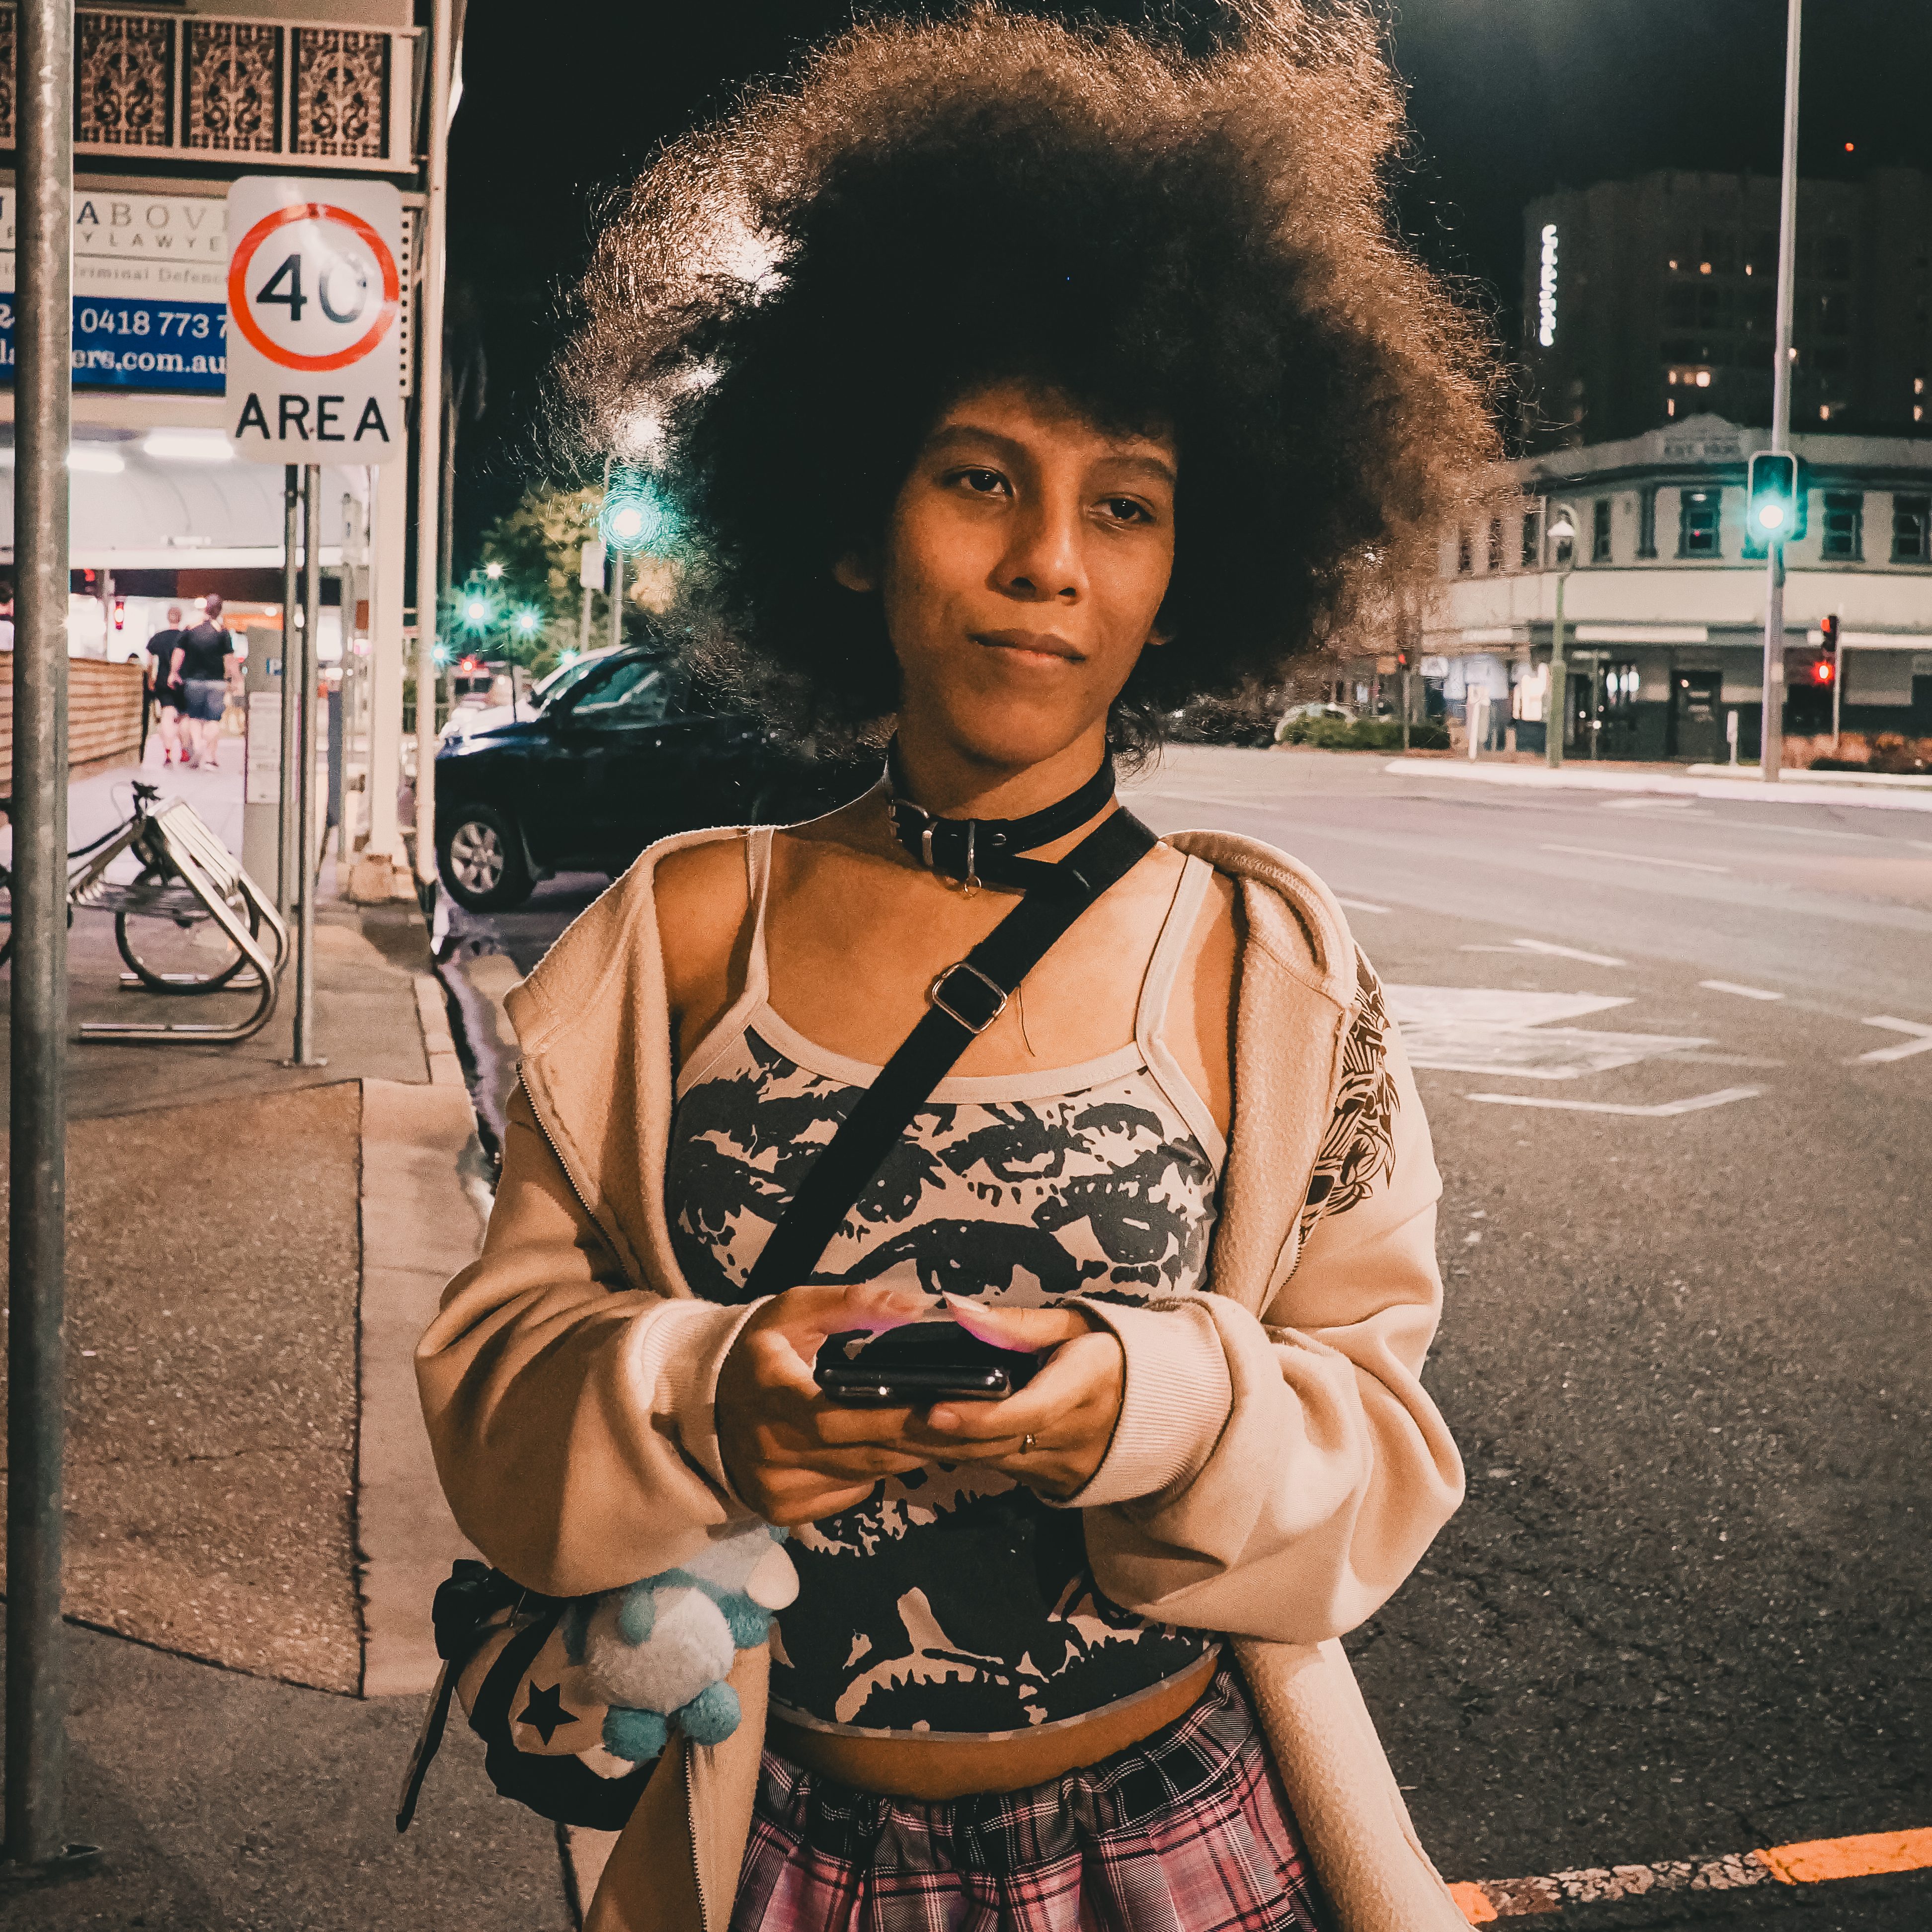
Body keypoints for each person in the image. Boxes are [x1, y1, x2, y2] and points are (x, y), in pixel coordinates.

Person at [418, 7, 1496, 1931]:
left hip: (1193, 1851)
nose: (1049, 563)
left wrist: (1144, 1409)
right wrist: (711, 1394)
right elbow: (496, 1397)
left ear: (1195, 571)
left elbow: (1387, 1462)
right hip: (771, 1859)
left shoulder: (1270, 965)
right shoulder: (678, 940)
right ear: (848, 516)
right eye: (981, 479)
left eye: (1128, 505)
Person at [168, 594, 236, 769]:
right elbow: (229, 659)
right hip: (216, 683)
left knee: (195, 718)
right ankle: (209, 755)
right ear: (220, 610)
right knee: (212, 721)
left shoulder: (190, 628)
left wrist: (174, 673)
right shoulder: (222, 632)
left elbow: (179, 653)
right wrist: (236, 678)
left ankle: (197, 745)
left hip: (193, 683)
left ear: (205, 608)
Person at [145, 604, 186, 764]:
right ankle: (183, 751)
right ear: (180, 618)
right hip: (182, 682)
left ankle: (168, 753)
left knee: (167, 715)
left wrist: (151, 678)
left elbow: (150, 659)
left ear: (168, 618)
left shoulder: (159, 637)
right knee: (183, 718)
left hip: (163, 680)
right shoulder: (185, 637)